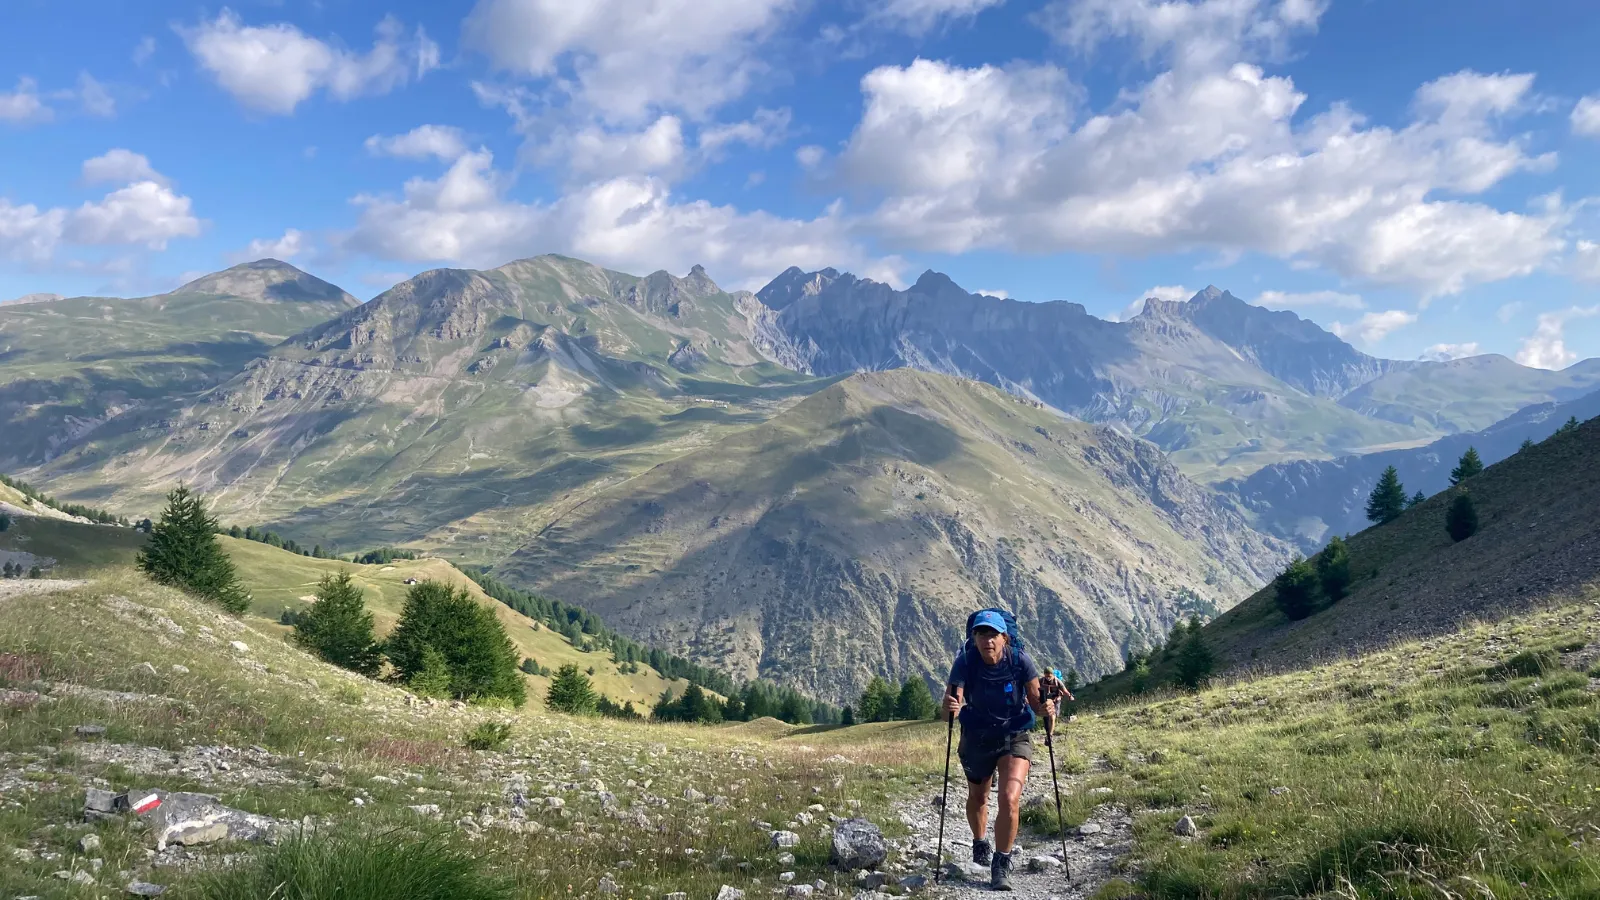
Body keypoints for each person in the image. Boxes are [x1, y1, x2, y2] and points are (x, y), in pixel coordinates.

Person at [941, 610, 1072, 890]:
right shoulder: (964, 662)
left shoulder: (1019, 660)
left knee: (1010, 798)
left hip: (1015, 732)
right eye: (981, 634)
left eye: (992, 634)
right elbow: (948, 709)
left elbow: (1037, 704)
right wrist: (950, 708)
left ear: (1004, 637)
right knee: (978, 796)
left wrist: (1047, 708)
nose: (987, 640)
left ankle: (1001, 863)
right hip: (977, 734)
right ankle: (979, 842)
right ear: (974, 637)